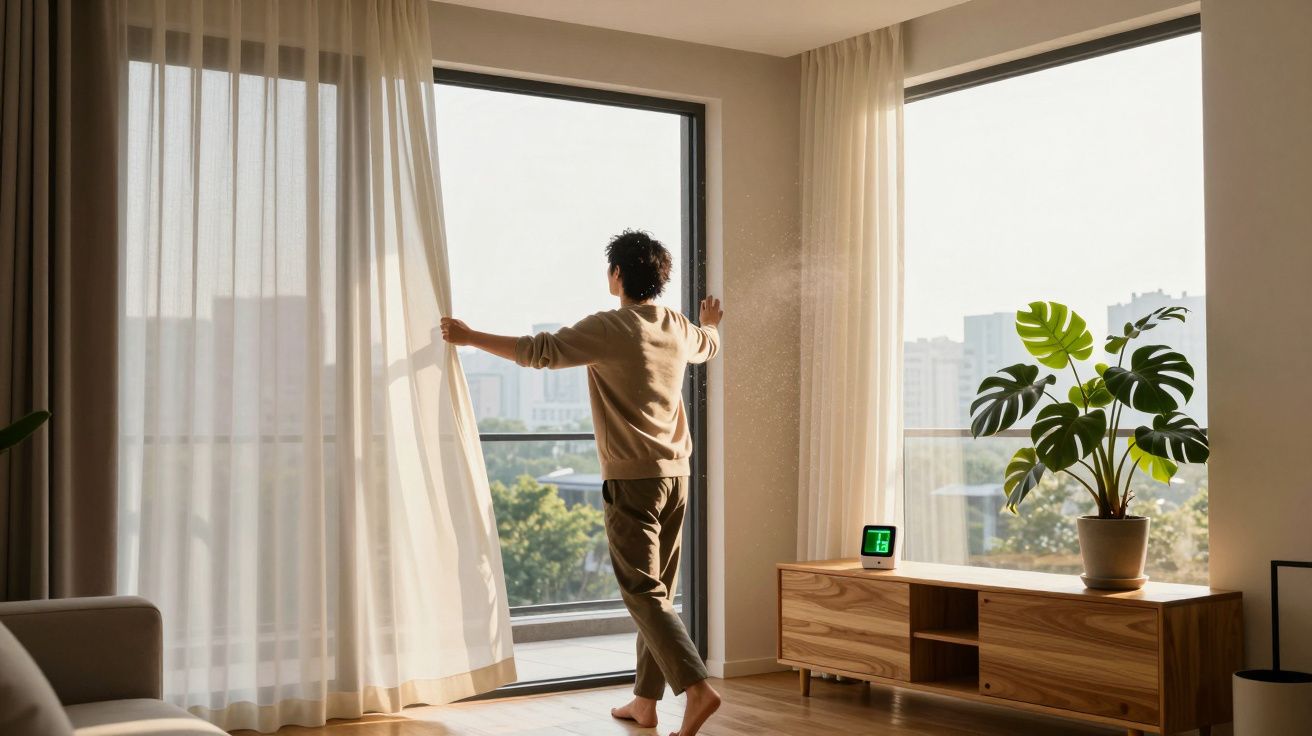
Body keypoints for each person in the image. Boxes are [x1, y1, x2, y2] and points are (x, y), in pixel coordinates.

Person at [440, 229, 724, 736]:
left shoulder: (610, 327)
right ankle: (645, 701)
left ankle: (697, 688)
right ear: (661, 277)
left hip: (633, 479)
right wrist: (710, 324)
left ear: (616, 275)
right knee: (656, 593)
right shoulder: (678, 326)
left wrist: (470, 337)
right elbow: (709, 346)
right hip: (677, 476)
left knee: (642, 592)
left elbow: (538, 351)